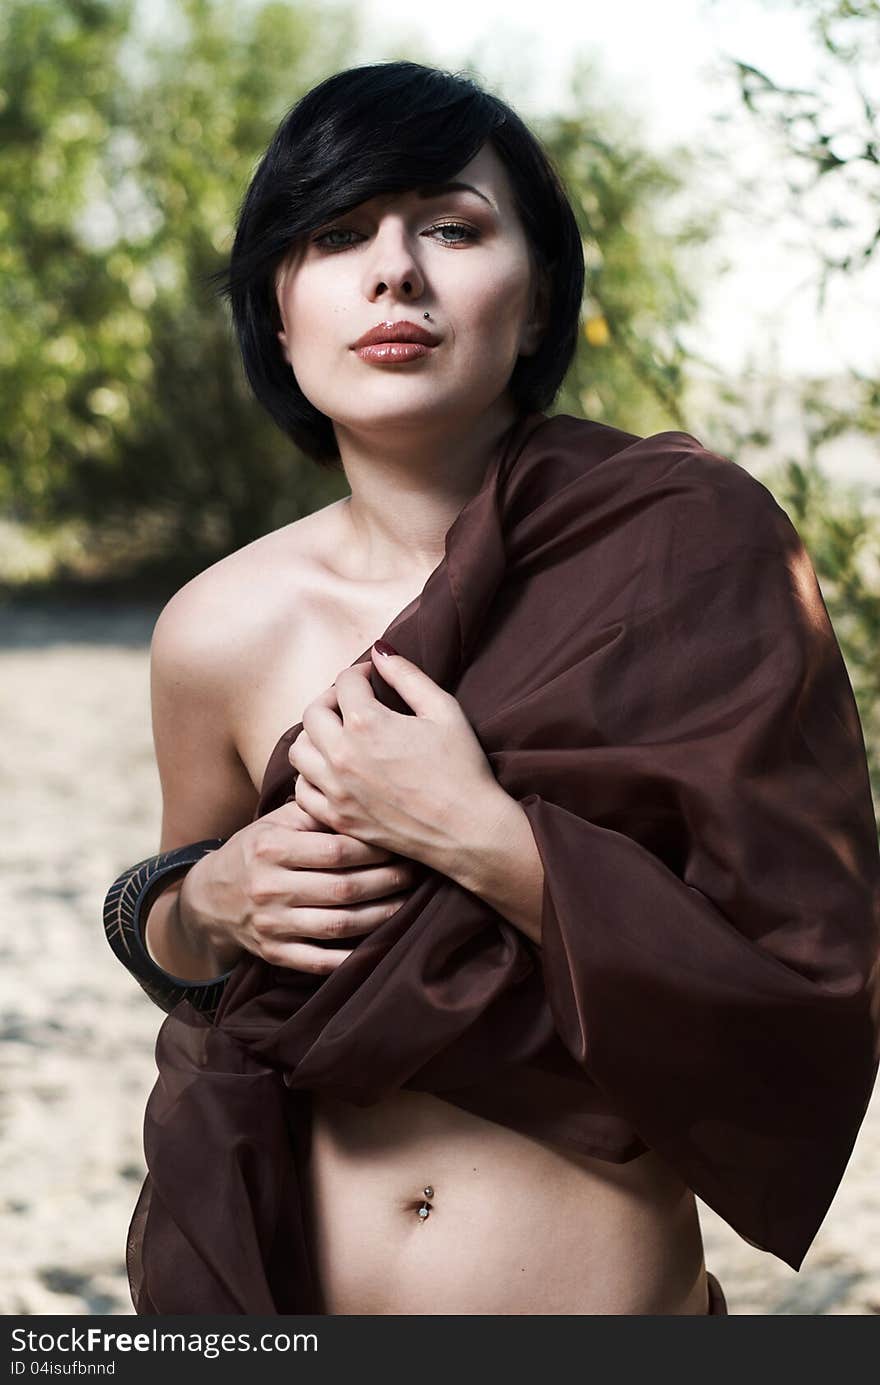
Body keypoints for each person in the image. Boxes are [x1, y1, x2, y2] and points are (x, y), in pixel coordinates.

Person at [103, 60, 879, 1317]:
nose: (394, 270)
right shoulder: (216, 629)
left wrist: (481, 836)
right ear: (279, 311)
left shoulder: (691, 549)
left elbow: (809, 989)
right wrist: (204, 900)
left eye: (452, 228)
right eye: (337, 233)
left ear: (535, 302)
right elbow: (194, 968)